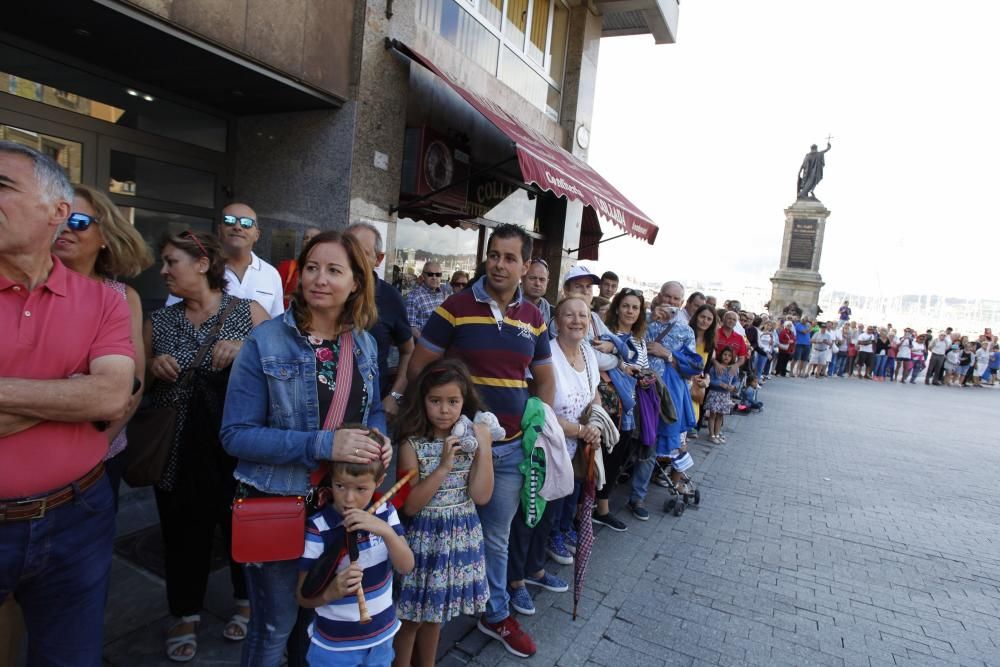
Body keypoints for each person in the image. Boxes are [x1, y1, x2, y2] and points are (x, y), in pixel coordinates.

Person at [220, 230, 390, 666]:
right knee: (275, 626)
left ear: (357, 281)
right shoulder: (267, 340)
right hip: (278, 503)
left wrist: (379, 438)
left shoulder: (364, 343)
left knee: (321, 617)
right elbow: (235, 434)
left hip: (337, 509)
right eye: (312, 267)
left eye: (334, 270)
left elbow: (370, 412)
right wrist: (324, 443)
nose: (319, 278)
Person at [0, 140, 135, 666]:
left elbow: (111, 394)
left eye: (4, 186)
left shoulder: (106, 300)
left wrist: (90, 394)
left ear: (57, 212)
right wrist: (67, 393)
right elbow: (94, 395)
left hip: (75, 516)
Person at [406, 223, 554, 659]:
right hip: (456, 450)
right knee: (439, 528)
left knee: (494, 536)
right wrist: (446, 420)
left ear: (526, 265)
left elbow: (544, 381)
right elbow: (420, 368)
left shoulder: (534, 317)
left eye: (510, 258)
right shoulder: (454, 305)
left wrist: (534, 426)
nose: (500, 264)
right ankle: (430, 612)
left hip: (507, 449)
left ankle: (494, 614)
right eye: (494, 255)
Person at [146, 231, 269, 661]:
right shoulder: (158, 321)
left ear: (202, 264)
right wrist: (150, 363)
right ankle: (184, 612)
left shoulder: (249, 313)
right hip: (177, 447)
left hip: (235, 444)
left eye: (170, 261)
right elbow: (135, 380)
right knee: (181, 532)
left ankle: (246, 600)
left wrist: (246, 349)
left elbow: (279, 370)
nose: (162, 271)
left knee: (240, 525)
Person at [52, 184, 152, 501]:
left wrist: (96, 450)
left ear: (105, 236)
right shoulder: (23, 291)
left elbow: (131, 387)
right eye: (58, 218)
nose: (65, 227)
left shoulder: (123, 297)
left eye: (79, 220)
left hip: (100, 459)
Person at [393, 359, 494, 667]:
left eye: (453, 401)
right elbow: (411, 505)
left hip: (459, 536)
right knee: (411, 618)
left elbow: (481, 495)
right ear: (422, 401)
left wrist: (485, 448)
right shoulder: (413, 444)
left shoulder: (472, 442)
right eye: (435, 401)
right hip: (425, 539)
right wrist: (443, 467)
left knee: (436, 615)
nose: (444, 410)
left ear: (465, 402)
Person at [296, 457, 414, 667]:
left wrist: (385, 530)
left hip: (382, 637)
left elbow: (406, 566)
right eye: (340, 486)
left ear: (379, 482)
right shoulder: (319, 527)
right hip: (334, 646)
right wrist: (331, 592)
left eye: (361, 488)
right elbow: (303, 598)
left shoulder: (385, 512)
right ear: (330, 480)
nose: (349, 499)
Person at [543, 297, 601, 565]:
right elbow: (544, 412)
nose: (577, 320)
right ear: (557, 322)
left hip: (580, 444)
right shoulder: (548, 355)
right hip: (553, 445)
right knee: (555, 500)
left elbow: (595, 393)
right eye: (569, 315)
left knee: (574, 492)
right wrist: (580, 430)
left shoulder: (588, 353)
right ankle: (550, 537)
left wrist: (594, 425)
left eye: (583, 315)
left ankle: (564, 530)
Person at [346, 222, 413, 416]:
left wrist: (394, 395)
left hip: (372, 409)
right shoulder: (328, 293)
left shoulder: (391, 298)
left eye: (362, 253)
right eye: (348, 251)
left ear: (379, 259)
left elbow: (408, 351)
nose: (353, 259)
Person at [600, 288, 652, 521]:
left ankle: (601, 507)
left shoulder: (640, 340)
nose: (630, 311)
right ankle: (596, 508)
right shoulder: (606, 334)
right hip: (610, 404)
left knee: (618, 458)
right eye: (626, 306)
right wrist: (616, 351)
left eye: (635, 307)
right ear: (617, 307)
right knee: (604, 458)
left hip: (629, 405)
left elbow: (640, 366)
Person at [277, 226, 322, 308]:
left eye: (313, 238)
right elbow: (274, 296)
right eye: (306, 238)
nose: (308, 240)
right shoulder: (287, 266)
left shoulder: (326, 272)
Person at [705, 347, 739, 443]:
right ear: (721, 355)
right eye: (725, 354)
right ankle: (711, 435)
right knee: (712, 415)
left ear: (732, 358)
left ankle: (716, 434)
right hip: (715, 394)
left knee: (720, 416)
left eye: (729, 355)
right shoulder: (715, 367)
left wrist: (733, 387)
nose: (726, 357)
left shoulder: (733, 369)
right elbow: (710, 380)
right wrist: (720, 384)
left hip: (725, 395)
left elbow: (737, 381)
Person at [406, 260, 447, 339]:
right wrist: (426, 343)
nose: (434, 277)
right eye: (430, 274)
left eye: (438, 274)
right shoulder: (414, 296)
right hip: (423, 347)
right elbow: (410, 326)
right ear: (423, 276)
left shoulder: (441, 294)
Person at [522, 258, 552, 323]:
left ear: (547, 282)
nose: (537, 284)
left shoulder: (552, 312)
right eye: (532, 278)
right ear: (523, 279)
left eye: (542, 280)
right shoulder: (510, 306)